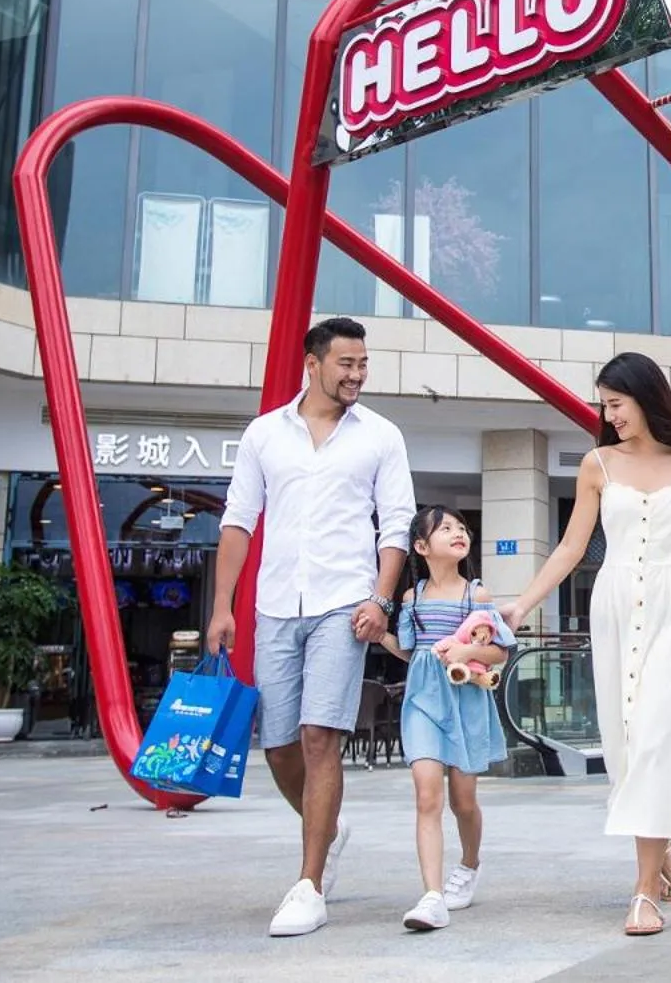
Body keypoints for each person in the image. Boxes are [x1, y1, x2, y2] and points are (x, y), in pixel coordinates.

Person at [208, 316, 416, 938]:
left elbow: (396, 526)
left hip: (343, 606)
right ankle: (328, 827)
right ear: (313, 363)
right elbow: (238, 521)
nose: (355, 375)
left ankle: (310, 884)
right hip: (273, 605)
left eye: (362, 365)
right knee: (277, 745)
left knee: (320, 735)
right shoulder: (264, 434)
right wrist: (223, 606)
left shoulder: (380, 436)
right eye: (345, 364)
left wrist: (381, 600)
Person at [501, 351, 671, 937]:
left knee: (655, 736)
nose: (608, 414)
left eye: (615, 403)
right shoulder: (597, 464)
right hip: (616, 606)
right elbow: (572, 548)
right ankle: (663, 839)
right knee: (624, 744)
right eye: (605, 404)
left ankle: (643, 893)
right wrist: (522, 605)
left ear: (646, 397)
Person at [377, 505, 513, 932]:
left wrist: (467, 652)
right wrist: (375, 632)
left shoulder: (478, 595)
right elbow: (407, 647)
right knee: (426, 795)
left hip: (466, 700)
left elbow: (500, 651)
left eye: (461, 528)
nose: (458, 533)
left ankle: (469, 864)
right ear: (421, 546)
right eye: (446, 529)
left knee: (463, 801)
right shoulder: (411, 598)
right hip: (422, 700)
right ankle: (432, 896)